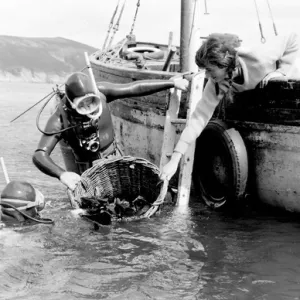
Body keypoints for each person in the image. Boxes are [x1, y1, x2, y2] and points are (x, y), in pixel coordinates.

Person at [160, 32, 300, 181]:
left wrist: (281, 72)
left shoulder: (258, 57)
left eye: (209, 69)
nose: (206, 76)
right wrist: (175, 160)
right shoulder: (217, 83)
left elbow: (292, 38)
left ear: (223, 63)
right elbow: (197, 120)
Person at [33, 72, 189, 191]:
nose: (89, 109)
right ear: (72, 104)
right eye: (82, 105)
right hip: (85, 166)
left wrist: (172, 83)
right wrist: (62, 174)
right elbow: (39, 155)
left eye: (92, 102)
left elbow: (134, 88)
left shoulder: (102, 92)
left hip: (113, 156)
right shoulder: (59, 120)